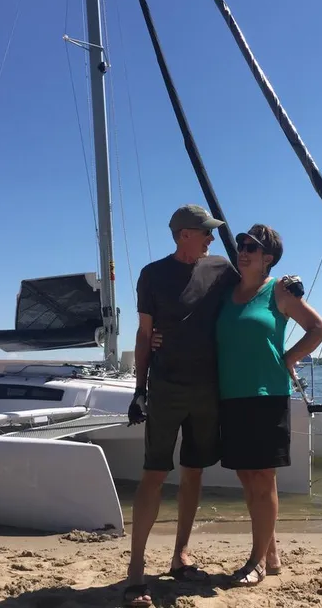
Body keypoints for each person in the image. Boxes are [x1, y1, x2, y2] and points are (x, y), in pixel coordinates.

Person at [122, 204, 239, 608]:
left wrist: (285, 287)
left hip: (208, 389)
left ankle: (180, 555)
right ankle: (136, 572)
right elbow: (144, 334)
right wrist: (140, 389)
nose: (211, 238)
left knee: (194, 470)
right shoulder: (152, 275)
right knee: (154, 473)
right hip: (167, 387)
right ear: (184, 234)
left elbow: (252, 289)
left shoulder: (222, 269)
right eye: (205, 232)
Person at [216, 224, 322, 586]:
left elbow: (318, 328)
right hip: (230, 396)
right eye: (241, 245)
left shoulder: (278, 290)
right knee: (247, 478)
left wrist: (288, 358)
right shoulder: (228, 292)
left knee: (263, 480)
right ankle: (272, 553)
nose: (243, 250)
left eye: (252, 247)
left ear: (268, 259)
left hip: (266, 397)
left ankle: (256, 562)